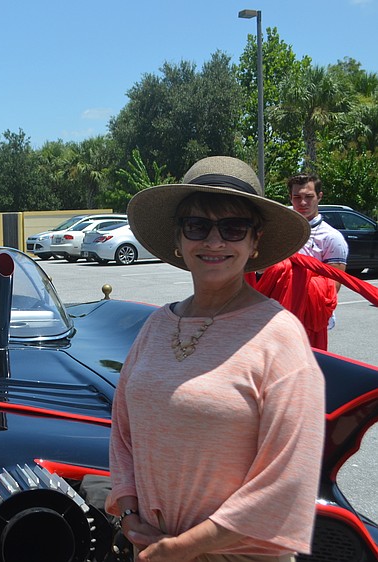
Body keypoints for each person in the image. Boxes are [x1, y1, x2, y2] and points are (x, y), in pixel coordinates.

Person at [107, 156, 325, 562]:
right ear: (179, 237)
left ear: (254, 241)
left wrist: (184, 548)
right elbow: (122, 432)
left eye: (233, 228)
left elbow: (288, 477)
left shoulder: (279, 336)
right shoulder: (157, 325)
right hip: (154, 548)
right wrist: (130, 509)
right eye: (197, 226)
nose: (214, 241)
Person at [247, 174, 348, 350]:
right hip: (270, 312)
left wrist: (295, 276)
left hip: (308, 318)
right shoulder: (277, 230)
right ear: (290, 198)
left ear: (320, 196)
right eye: (297, 197)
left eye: (309, 197)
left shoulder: (332, 238)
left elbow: (333, 286)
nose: (302, 203)